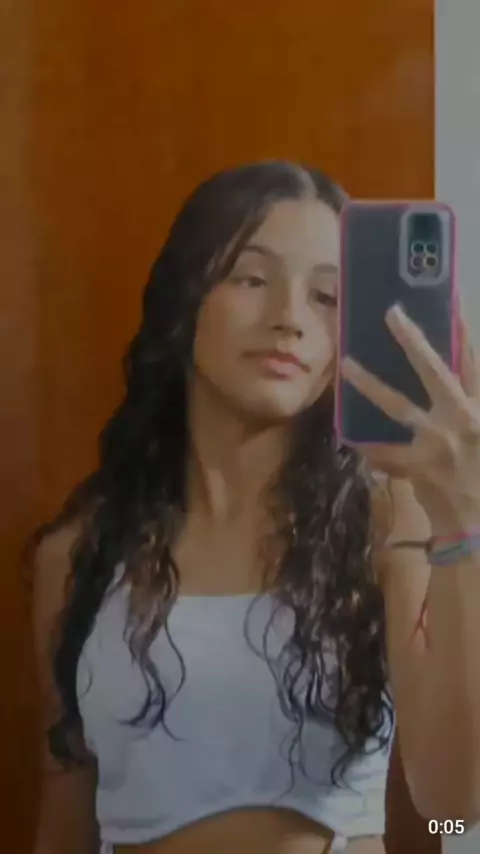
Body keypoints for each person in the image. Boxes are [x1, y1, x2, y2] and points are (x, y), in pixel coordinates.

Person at [32, 161, 480, 854]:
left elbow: (456, 807)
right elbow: (64, 821)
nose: (289, 319)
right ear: (186, 300)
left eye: (326, 296)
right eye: (250, 279)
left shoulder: (390, 522)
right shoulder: (80, 554)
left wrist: (461, 515)